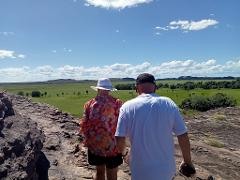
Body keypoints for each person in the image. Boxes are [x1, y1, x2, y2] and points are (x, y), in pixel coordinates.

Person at [115, 73, 195, 180]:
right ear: (155, 87)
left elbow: (119, 138)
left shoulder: (127, 107)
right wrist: (187, 161)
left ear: (136, 88)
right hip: (166, 171)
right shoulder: (168, 103)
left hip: (140, 171)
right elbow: (182, 134)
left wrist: (125, 155)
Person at [80, 78, 123, 180]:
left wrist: (88, 141)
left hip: (95, 146)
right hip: (113, 146)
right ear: (109, 90)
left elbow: (84, 125)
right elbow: (122, 124)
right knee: (112, 174)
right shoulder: (117, 103)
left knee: (99, 172)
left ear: (98, 89)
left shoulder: (89, 104)